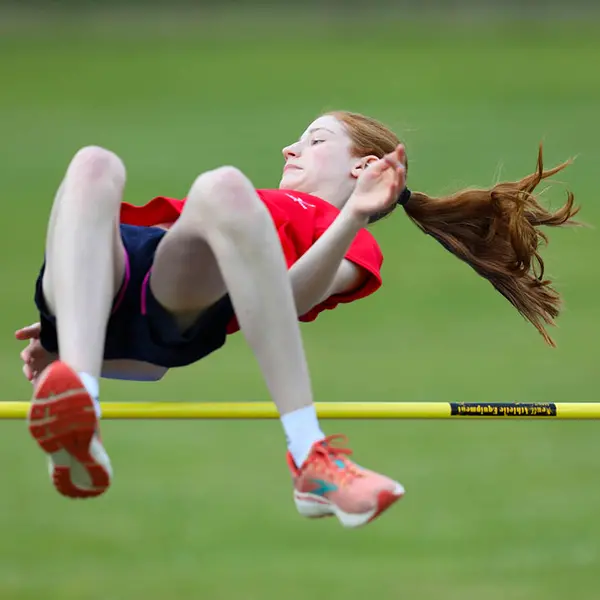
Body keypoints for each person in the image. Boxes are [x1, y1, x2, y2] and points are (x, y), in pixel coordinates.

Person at [16, 110, 579, 529]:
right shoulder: (266, 204)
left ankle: (309, 453)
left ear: (364, 166)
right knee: (93, 164)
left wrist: (353, 215)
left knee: (223, 187)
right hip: (102, 270)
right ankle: (78, 401)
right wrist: (74, 328)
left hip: (178, 295)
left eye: (315, 139)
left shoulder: (348, 240)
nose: (290, 148)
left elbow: (286, 300)